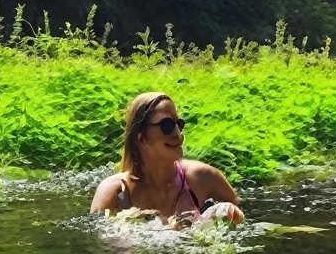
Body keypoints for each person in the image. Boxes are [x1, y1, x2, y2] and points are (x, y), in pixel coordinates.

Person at [90, 92, 245, 225]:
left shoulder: (204, 178)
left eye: (179, 123)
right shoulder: (115, 192)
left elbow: (245, 222)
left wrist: (227, 213)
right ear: (142, 138)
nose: (177, 133)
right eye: (166, 125)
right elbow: (100, 245)